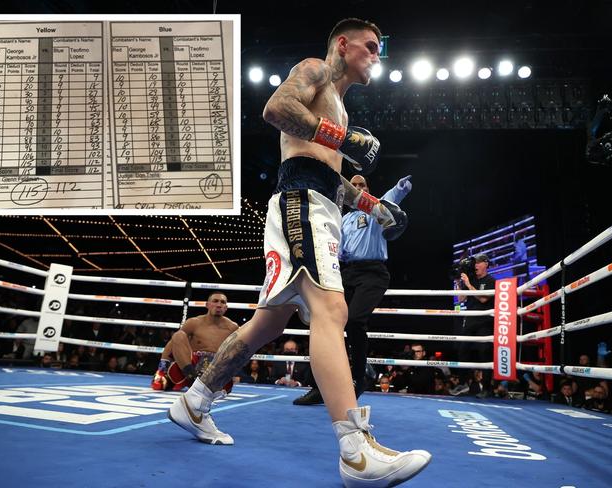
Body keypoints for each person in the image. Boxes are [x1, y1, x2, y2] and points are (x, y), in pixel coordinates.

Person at [168, 18, 431, 486]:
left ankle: (193, 402)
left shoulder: (341, 109)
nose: (376, 55)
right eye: (370, 47)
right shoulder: (314, 71)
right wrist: (345, 139)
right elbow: (276, 108)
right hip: (300, 204)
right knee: (331, 310)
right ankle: (355, 452)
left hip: (317, 204)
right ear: (343, 45)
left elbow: (330, 175)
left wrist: (376, 206)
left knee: (267, 323)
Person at [293, 173, 412, 405]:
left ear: (367, 189)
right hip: (346, 272)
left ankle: (359, 378)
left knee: (355, 320)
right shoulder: (342, 218)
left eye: (361, 185)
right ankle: (320, 387)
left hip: (373, 273)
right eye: (353, 185)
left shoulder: (377, 209)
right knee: (326, 324)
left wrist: (401, 188)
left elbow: (391, 197)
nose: (356, 188)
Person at [151, 292, 239, 392]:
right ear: (207, 305)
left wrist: (231, 372)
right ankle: (192, 379)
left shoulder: (233, 327)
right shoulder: (194, 322)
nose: (219, 305)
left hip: (215, 368)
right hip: (190, 367)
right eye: (215, 301)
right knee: (178, 335)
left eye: (222, 302)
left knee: (239, 346)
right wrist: (161, 370)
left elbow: (239, 351)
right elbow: (173, 342)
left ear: (225, 307)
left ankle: (201, 384)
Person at [456, 253, 495, 394]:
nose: (476, 265)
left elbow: (483, 299)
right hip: (471, 319)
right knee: (462, 350)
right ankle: (463, 384)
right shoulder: (470, 279)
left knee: (484, 352)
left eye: (479, 262)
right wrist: (459, 282)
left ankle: (486, 387)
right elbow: (460, 299)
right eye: (475, 263)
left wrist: (468, 284)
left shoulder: (491, 280)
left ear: (486, 264)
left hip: (485, 320)